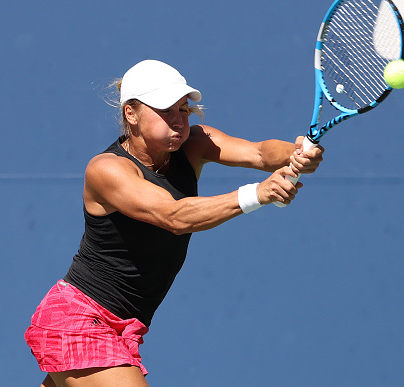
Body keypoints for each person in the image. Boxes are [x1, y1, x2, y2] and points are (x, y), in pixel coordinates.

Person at [25, 60, 324, 387]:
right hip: (79, 320)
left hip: (124, 327)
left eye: (184, 109)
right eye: (166, 110)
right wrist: (257, 193)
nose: (180, 120)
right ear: (131, 114)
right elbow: (174, 216)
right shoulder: (107, 169)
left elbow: (259, 153)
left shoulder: (195, 144)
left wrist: (295, 153)